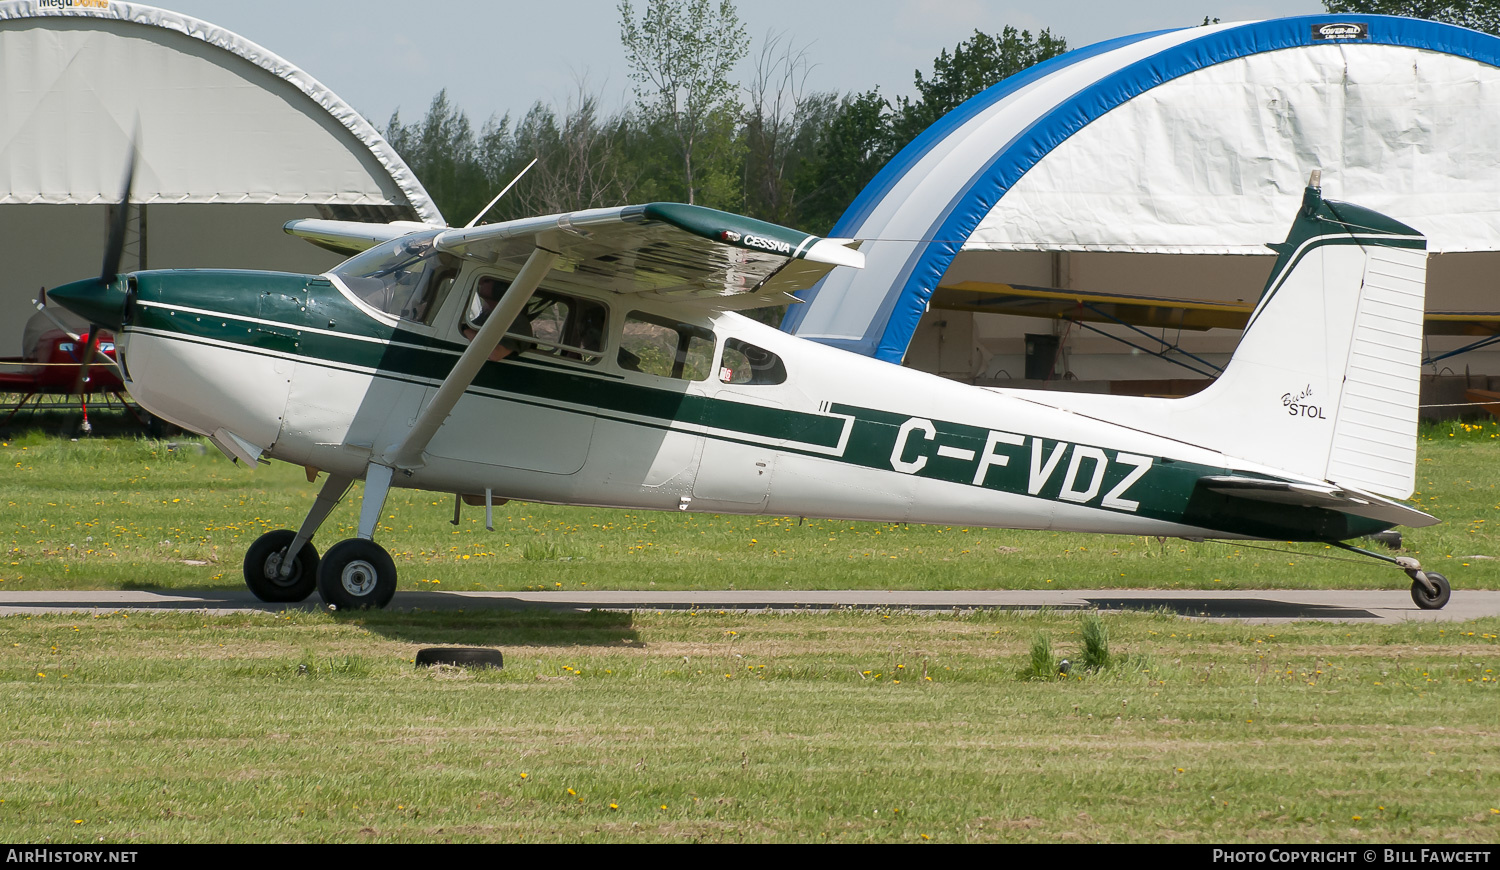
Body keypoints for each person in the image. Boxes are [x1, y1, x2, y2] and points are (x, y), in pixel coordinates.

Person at [461, 276, 532, 361]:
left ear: (501, 288)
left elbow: (495, 354)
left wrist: (465, 329)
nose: (481, 283)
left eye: (486, 281)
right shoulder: (488, 314)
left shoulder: (517, 321)